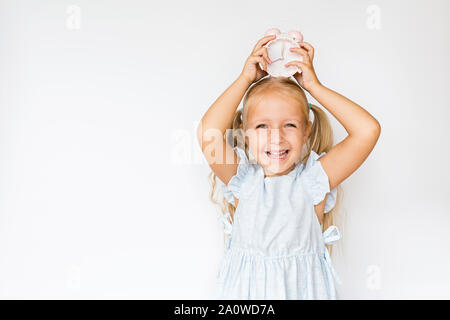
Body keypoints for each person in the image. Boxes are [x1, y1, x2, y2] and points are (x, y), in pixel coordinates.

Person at [196, 34, 381, 299]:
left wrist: (314, 87)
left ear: (307, 131)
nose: (276, 137)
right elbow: (207, 134)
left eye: (290, 125)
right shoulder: (243, 181)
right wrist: (244, 79)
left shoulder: (313, 182)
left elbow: (368, 130)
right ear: (245, 134)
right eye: (262, 126)